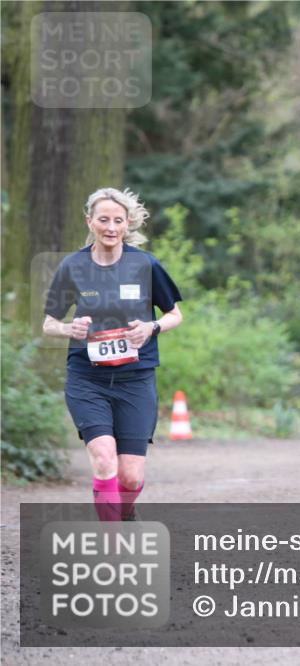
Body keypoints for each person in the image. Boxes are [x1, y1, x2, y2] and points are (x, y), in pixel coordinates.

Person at [42, 187, 183, 521]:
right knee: (104, 458)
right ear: (90, 221)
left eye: (118, 220)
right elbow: (49, 322)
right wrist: (68, 329)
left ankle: (125, 513)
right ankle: (112, 546)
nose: (111, 226)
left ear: (127, 223)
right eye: (103, 219)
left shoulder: (145, 264)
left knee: (130, 476)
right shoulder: (72, 266)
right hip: (87, 378)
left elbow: (176, 314)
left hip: (136, 380)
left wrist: (152, 327)